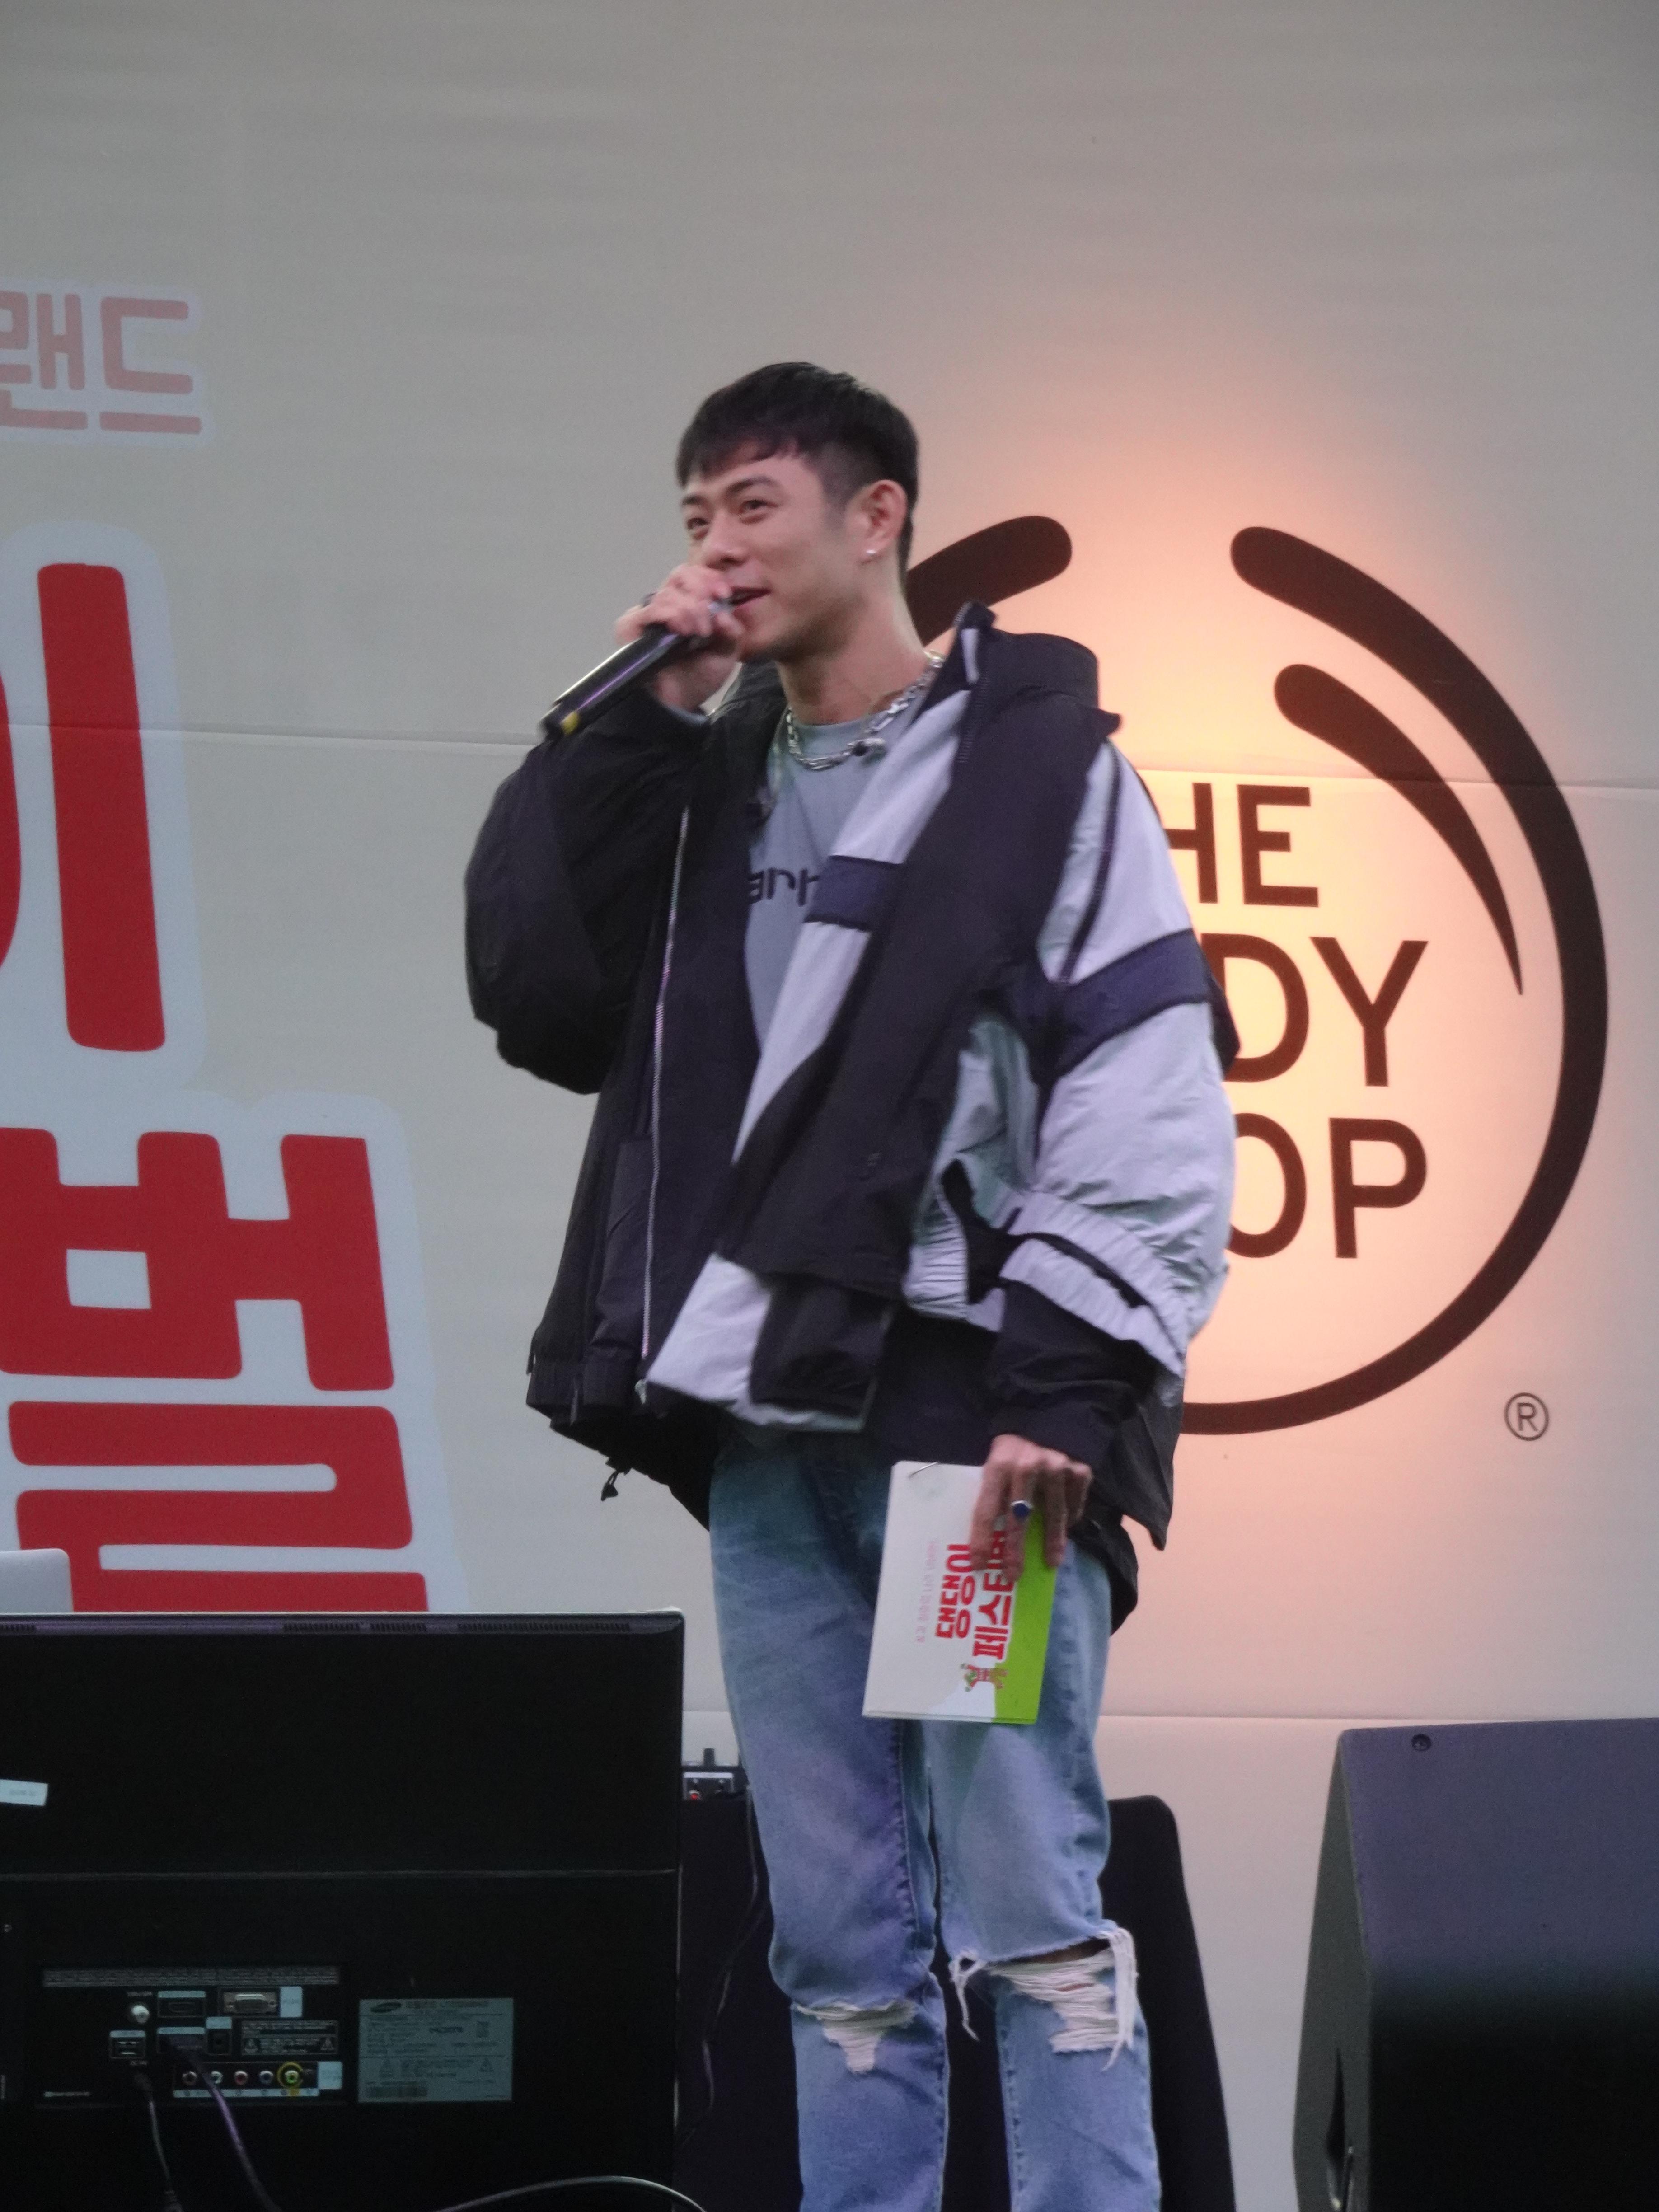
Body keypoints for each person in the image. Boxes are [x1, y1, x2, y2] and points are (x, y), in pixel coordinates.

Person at [465, 362, 1236, 2212]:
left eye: (752, 506)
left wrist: (1063, 1389)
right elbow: (535, 986)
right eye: (695, 519)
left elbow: (1144, 1076)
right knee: (831, 1930)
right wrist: (644, 714)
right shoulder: (708, 776)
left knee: (1028, 1890)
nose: (717, 548)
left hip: (966, 1426)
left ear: (876, 515)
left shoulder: (1036, 768)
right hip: (769, 1433)